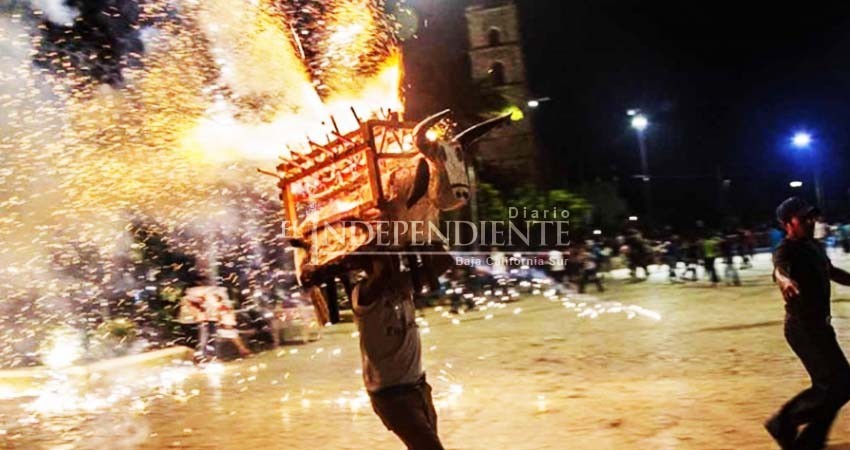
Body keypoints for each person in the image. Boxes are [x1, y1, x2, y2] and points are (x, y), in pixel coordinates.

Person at [766, 197, 850, 450]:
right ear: (786, 224)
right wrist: (785, 282)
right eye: (803, 219)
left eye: (811, 217)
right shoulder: (786, 249)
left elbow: (831, 271)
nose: (810, 222)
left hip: (820, 327)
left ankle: (810, 440)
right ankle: (784, 422)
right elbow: (780, 270)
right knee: (839, 385)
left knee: (836, 386)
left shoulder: (814, 245)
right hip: (803, 327)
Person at [352, 255, 443, 450]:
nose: (394, 263)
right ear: (367, 265)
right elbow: (383, 277)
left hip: (419, 388)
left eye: (396, 258)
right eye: (385, 258)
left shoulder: (403, 287)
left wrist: (429, 241)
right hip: (392, 396)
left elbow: (445, 263)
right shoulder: (363, 294)